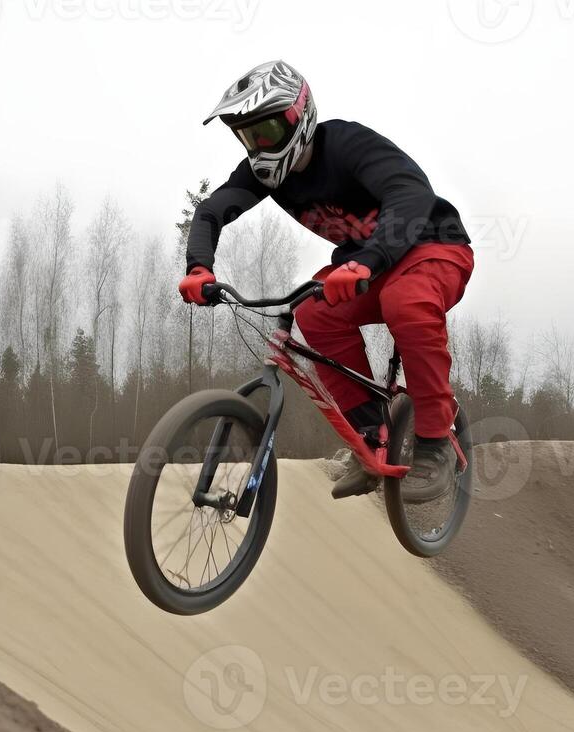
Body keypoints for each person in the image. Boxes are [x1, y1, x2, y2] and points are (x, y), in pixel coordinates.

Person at [179, 60, 474, 502]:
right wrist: (199, 267)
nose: (259, 147)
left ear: (300, 116)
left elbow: (411, 193)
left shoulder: (348, 144)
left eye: (267, 133)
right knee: (314, 313)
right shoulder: (263, 175)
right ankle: (370, 434)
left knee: (404, 300)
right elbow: (210, 212)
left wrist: (370, 259)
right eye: (248, 137)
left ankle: (434, 441)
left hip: (435, 246)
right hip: (369, 264)